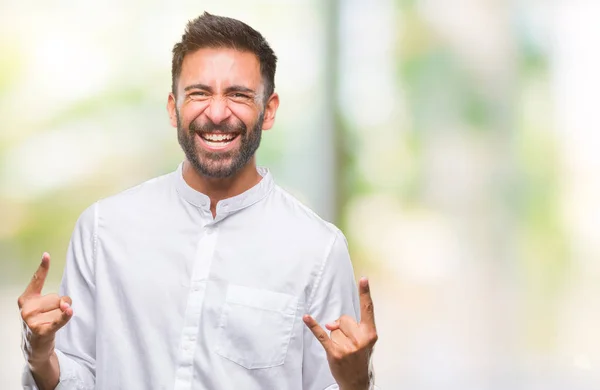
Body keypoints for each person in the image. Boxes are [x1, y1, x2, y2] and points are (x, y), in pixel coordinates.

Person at [18, 12, 378, 390]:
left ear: (268, 110)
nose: (218, 112)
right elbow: (78, 377)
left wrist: (356, 382)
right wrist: (40, 357)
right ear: (174, 108)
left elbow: (332, 383)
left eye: (238, 95)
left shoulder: (318, 249)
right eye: (199, 93)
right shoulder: (103, 230)